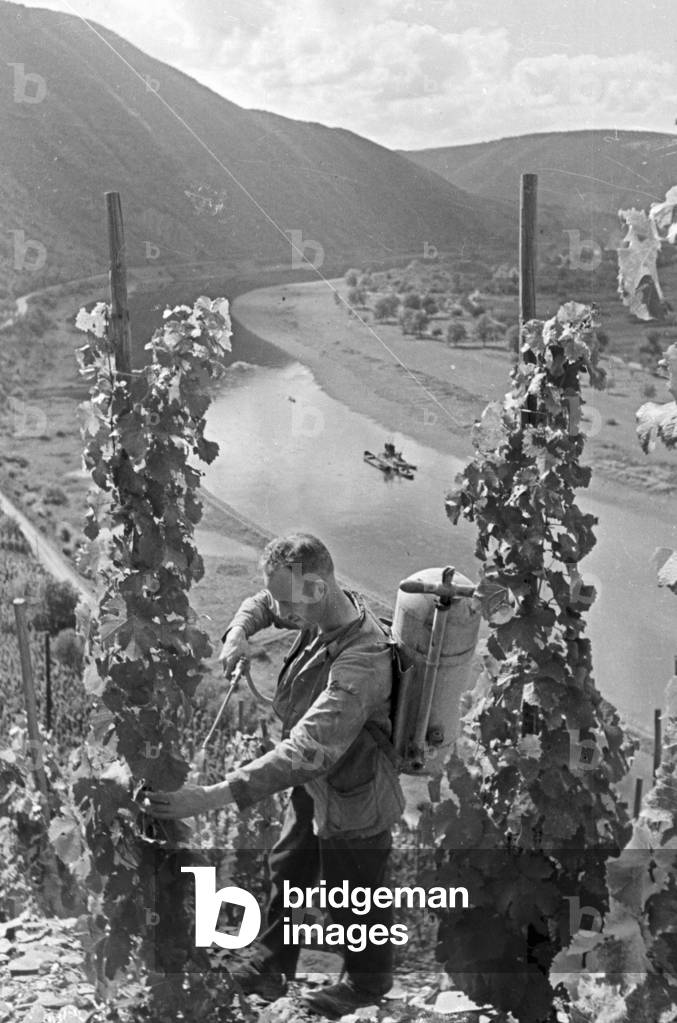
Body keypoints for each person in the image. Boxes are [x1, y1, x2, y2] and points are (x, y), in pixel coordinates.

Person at [144, 532, 405, 1019]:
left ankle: (368, 988)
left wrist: (211, 796)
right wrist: (239, 633)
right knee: (289, 866)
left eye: (291, 601)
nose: (284, 611)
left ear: (318, 587)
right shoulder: (316, 607)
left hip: (353, 792)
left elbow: (306, 750)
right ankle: (270, 963)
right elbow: (263, 601)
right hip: (317, 784)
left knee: (356, 893)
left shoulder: (362, 662)